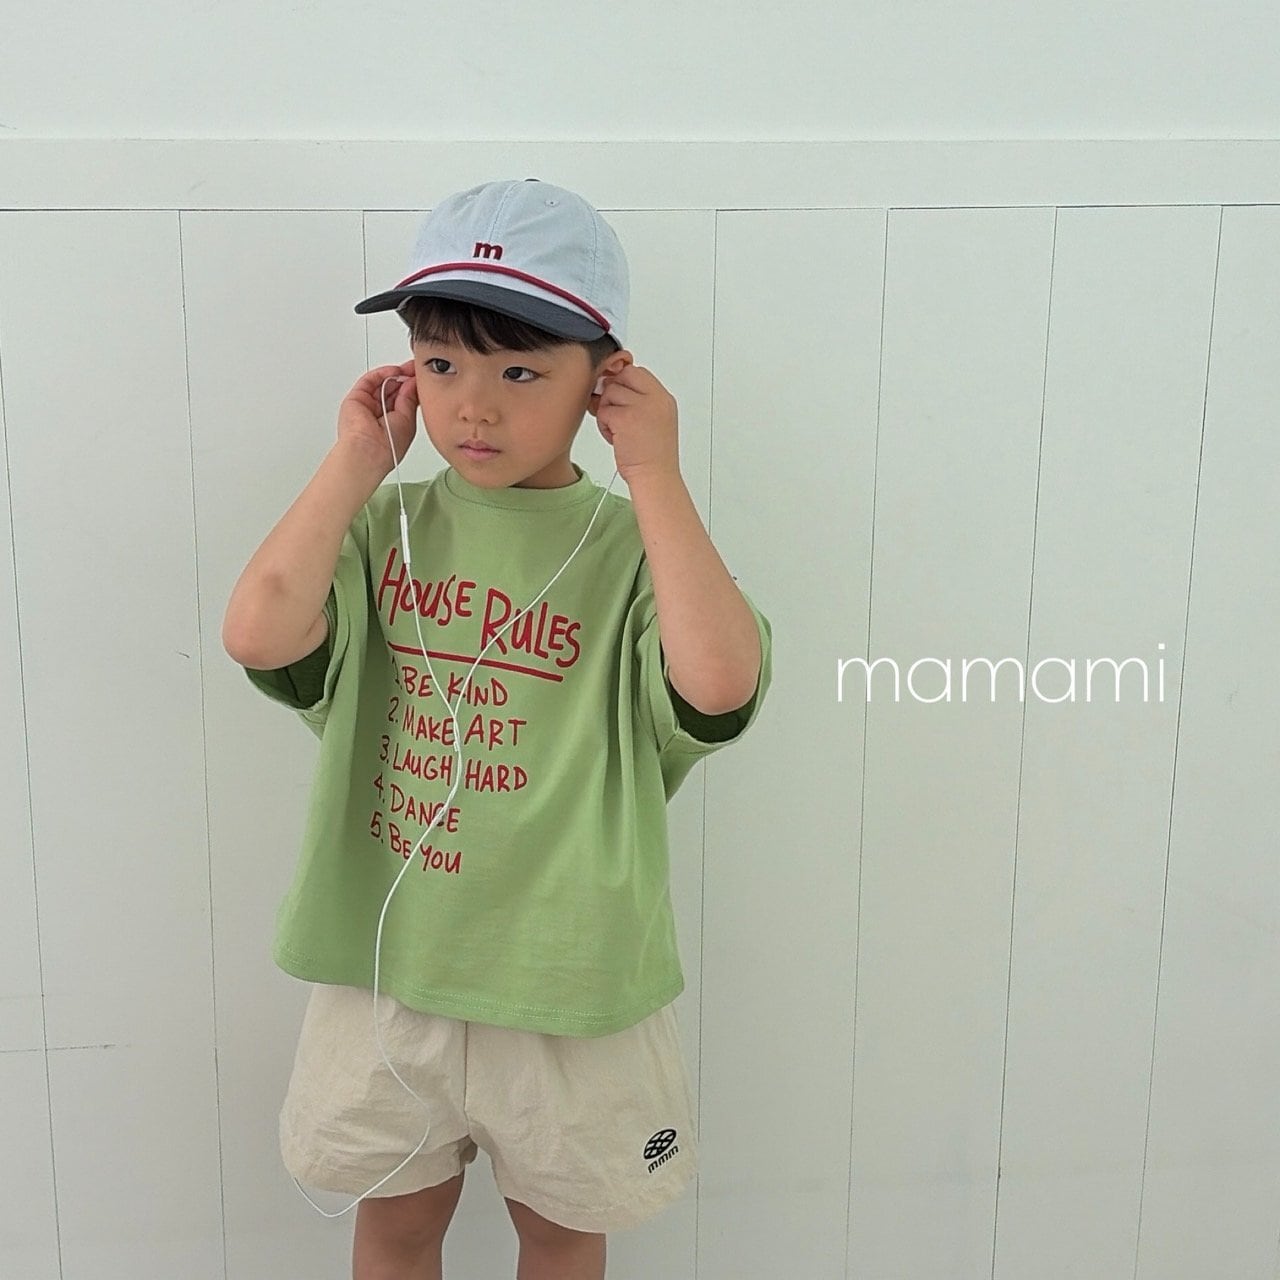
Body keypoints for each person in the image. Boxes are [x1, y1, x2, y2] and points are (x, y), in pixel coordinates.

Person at [221, 177, 773, 1280]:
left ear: (603, 380)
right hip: (389, 969)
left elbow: (717, 683)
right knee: (396, 1224)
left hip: (571, 984)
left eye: (519, 371)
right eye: (440, 365)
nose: (472, 407)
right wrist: (355, 462)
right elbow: (257, 630)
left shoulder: (633, 553)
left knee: (562, 1233)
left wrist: (653, 473)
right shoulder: (383, 526)